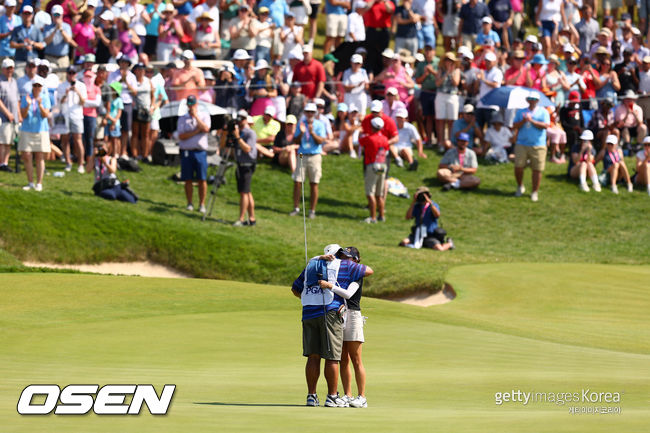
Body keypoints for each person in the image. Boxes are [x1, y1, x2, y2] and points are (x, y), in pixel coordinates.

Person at [291, 243, 373, 407]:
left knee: (314, 356)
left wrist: (310, 298)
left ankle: (312, 396)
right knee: (333, 357)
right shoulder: (343, 265)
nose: (343, 258)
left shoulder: (312, 264)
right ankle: (332, 396)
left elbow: (295, 289)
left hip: (309, 312)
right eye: (341, 255)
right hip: (330, 312)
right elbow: (369, 270)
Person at [328, 246, 367, 408]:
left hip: (352, 316)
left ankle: (362, 397)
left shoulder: (357, 275)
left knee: (356, 359)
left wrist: (330, 286)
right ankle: (348, 395)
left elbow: (349, 294)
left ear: (356, 261)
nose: (344, 260)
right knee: (343, 359)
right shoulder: (338, 275)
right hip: (339, 315)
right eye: (342, 257)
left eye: (347, 258)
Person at [512, 91, 550, 202]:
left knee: (537, 170)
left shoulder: (543, 112)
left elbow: (545, 125)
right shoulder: (521, 112)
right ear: (527, 100)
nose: (532, 101)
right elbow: (514, 125)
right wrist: (524, 121)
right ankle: (520, 186)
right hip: (522, 143)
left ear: (537, 101)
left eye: (534, 99)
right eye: (530, 99)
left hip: (538, 144)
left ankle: (534, 191)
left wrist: (532, 121)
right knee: (518, 166)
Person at [290, 103, 326, 218]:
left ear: (315, 113)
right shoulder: (301, 124)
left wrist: (312, 133)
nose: (310, 114)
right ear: (305, 113)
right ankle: (296, 207)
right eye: (308, 112)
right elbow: (295, 141)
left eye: (312, 112)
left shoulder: (319, 125)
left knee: (314, 183)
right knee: (297, 182)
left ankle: (312, 210)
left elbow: (320, 141)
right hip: (302, 154)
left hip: (315, 155)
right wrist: (301, 132)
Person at [178, 95, 211, 213]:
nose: (191, 106)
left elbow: (206, 129)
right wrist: (196, 131)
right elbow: (181, 136)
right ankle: (189, 202)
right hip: (187, 151)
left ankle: (202, 204)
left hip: (200, 151)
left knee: (202, 179)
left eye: (193, 104)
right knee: (188, 179)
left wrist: (196, 116)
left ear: (197, 104)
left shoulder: (204, 116)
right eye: (189, 104)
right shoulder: (182, 118)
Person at [225, 111, 259, 226]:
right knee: (246, 192)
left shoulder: (250, 133)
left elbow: (247, 149)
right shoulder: (238, 132)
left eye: (243, 119)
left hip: (247, 165)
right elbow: (227, 148)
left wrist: (238, 137)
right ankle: (252, 218)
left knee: (244, 192)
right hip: (240, 164)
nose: (240, 121)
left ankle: (241, 218)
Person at [19, 76, 51, 192]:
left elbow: (45, 115)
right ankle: (30, 182)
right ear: (32, 86)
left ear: (42, 87)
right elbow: (23, 115)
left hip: (41, 130)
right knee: (27, 155)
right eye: (35, 85)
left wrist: (40, 104)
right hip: (27, 129)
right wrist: (27, 105)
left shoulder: (45, 97)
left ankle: (39, 183)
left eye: (39, 86)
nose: (37, 88)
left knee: (39, 157)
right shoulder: (26, 97)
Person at [359, 116, 390, 223]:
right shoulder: (385, 139)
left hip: (372, 165)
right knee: (379, 194)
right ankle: (381, 216)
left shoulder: (369, 138)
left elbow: (360, 142)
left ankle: (373, 217)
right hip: (382, 165)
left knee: (370, 192)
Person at [58, 66, 88, 174]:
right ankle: (68, 163)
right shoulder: (61, 86)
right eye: (70, 73)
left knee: (78, 140)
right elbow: (60, 102)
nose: (71, 75)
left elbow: (83, 102)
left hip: (77, 115)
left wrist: (77, 92)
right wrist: (66, 94)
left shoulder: (81, 86)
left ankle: (81, 164)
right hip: (65, 115)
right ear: (67, 74)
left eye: (73, 73)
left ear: (76, 74)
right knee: (65, 140)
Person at [0, 58, 20, 173]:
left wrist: (18, 115)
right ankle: (1, 162)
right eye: (8, 68)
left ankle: (5, 162)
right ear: (3, 69)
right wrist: (7, 113)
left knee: (9, 141)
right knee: (3, 141)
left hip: (14, 117)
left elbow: (16, 100)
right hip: (3, 117)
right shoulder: (0, 81)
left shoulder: (14, 81)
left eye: (11, 68)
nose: (10, 70)